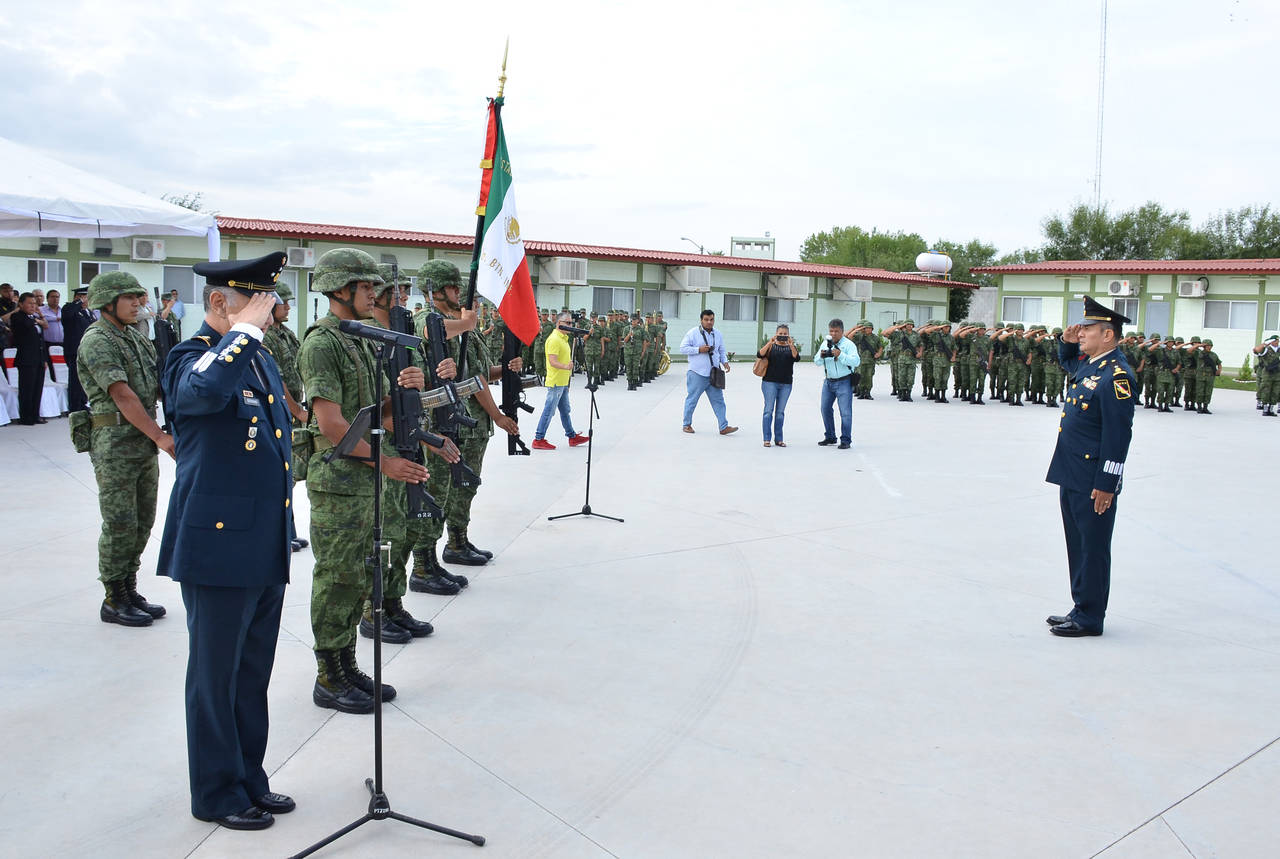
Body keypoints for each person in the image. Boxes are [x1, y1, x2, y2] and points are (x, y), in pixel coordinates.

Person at [157, 252, 295, 831]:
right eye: (256, 304)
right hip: (216, 545)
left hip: (262, 538)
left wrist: (247, 337)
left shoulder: (257, 359)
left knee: (251, 671)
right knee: (215, 675)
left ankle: (249, 777)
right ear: (220, 303)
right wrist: (240, 333)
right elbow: (203, 395)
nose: (269, 314)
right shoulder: (191, 358)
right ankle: (215, 791)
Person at [298, 248, 429, 714]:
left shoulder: (359, 340)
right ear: (340, 289)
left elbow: (376, 417)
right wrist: (386, 464)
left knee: (357, 576)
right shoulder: (322, 344)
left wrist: (406, 393)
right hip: (338, 481)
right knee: (336, 577)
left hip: (362, 477)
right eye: (366, 286)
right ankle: (328, 675)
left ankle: (347, 664)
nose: (375, 294)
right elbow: (332, 425)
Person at [77, 272, 173, 625]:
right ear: (107, 303)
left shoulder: (135, 337)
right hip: (115, 443)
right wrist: (161, 437)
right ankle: (113, 598)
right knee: (120, 521)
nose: (138, 303)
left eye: (138, 297)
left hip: (141, 439)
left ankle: (129, 589)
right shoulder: (97, 339)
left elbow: (156, 386)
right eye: (129, 298)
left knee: (143, 520)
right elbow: (122, 394)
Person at [1045, 296, 1135, 638]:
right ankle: (1080, 604)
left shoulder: (1116, 376)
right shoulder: (1094, 366)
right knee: (1078, 544)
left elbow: (1118, 435)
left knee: (1093, 547)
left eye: (1087, 329)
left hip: (1093, 478)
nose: (1080, 333)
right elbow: (1071, 366)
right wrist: (1065, 344)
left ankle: (1090, 617)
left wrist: (1107, 483)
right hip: (1072, 472)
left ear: (1108, 335)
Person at [261, 283, 309, 552]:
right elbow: (276, 381)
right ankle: (277, 532)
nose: (288, 306)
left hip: (289, 409)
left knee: (286, 475)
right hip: (279, 411)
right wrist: (297, 411)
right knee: (277, 476)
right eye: (284, 302)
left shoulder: (286, 334)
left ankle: (288, 529)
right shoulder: (267, 337)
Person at [531, 310, 589, 449]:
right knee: (549, 411)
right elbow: (552, 361)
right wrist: (566, 366)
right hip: (556, 381)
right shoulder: (554, 339)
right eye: (567, 323)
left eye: (571, 323)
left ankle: (572, 436)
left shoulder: (563, 338)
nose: (570, 325)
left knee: (565, 410)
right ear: (559, 323)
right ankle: (538, 438)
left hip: (563, 382)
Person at [679, 308, 737, 434]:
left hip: (714, 374)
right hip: (697, 373)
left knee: (719, 401)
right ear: (701, 320)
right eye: (706, 320)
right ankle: (686, 425)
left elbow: (721, 350)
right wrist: (698, 350)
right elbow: (682, 348)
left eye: (711, 320)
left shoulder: (718, 334)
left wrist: (725, 362)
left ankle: (723, 427)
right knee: (692, 400)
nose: (709, 322)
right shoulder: (693, 333)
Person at [813, 318, 860, 449]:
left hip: (844, 381)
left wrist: (841, 355)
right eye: (831, 331)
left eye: (836, 331)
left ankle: (845, 440)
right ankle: (830, 436)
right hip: (828, 382)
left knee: (845, 412)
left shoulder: (849, 345)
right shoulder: (825, 344)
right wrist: (822, 356)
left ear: (842, 331)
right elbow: (816, 361)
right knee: (825, 409)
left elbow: (856, 362)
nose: (833, 334)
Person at [757, 323, 801, 447]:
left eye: (785, 334)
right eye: (780, 334)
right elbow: (759, 354)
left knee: (780, 412)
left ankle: (779, 439)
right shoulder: (771, 346)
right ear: (776, 334)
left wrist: (791, 345)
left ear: (789, 335)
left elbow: (796, 358)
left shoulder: (790, 348)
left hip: (786, 384)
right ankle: (766, 439)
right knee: (768, 411)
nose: (782, 336)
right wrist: (770, 342)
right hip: (769, 382)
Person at [9, 292, 47, 424]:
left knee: (37, 388)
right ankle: (26, 417)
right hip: (26, 359)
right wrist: (37, 320)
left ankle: (35, 414)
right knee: (27, 388)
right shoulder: (17, 317)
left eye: (34, 303)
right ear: (20, 304)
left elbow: (41, 340)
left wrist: (45, 359)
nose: (33, 306)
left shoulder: (34, 317)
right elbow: (26, 325)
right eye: (30, 303)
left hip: (39, 358)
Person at [62, 285, 96, 411]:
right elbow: (68, 315)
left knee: (84, 380)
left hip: (87, 351)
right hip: (75, 351)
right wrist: (79, 301)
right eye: (86, 297)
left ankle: (82, 403)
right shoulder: (69, 309)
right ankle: (75, 406)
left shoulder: (88, 312)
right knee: (75, 381)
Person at [40, 289, 63, 380]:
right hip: (48, 343)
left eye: (57, 297)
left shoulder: (63, 310)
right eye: (53, 297)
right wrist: (55, 318)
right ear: (47, 298)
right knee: (50, 368)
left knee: (62, 368)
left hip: (62, 343)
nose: (55, 299)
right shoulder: (41, 310)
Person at [1255, 334, 1280, 416]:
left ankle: (1271, 409)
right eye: (1276, 340)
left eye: (1278, 340)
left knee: (1275, 392)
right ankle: (1265, 409)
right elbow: (1256, 350)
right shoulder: (1266, 350)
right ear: (1272, 341)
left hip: (1278, 375)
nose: (1277, 342)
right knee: (1266, 391)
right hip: (1268, 374)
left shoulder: (1279, 350)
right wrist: (1265, 344)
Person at [1195, 338, 1221, 414]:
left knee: (1208, 392)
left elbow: (1219, 363)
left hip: (1210, 376)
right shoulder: (1199, 353)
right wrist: (1200, 345)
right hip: (1201, 376)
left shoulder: (1214, 355)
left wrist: (1219, 370)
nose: (1209, 347)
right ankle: (1199, 407)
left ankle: (1205, 407)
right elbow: (1189, 350)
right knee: (1200, 391)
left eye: (1210, 345)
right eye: (1207, 345)